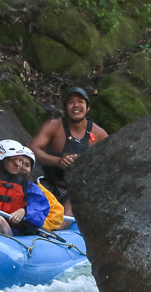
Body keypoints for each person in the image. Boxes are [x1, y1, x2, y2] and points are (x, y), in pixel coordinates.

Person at [28, 87, 108, 226]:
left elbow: (110, 164)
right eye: (71, 102)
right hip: (49, 183)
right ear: (65, 108)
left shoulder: (99, 134)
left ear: (87, 107)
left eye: (80, 102)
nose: (76, 105)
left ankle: (55, 235)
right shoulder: (53, 126)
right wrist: (58, 161)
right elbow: (31, 150)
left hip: (75, 191)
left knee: (71, 208)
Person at [18, 146, 65, 231]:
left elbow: (57, 212)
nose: (22, 168)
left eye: (27, 165)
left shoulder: (36, 188)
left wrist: (38, 225)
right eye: (20, 162)